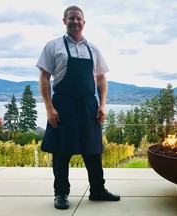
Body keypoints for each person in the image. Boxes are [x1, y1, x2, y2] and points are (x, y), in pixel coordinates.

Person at [36, 5, 120, 210]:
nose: (75, 22)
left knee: (93, 150)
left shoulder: (93, 49)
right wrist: (49, 108)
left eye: (79, 19)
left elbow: (101, 78)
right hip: (63, 104)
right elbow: (44, 78)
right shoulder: (53, 46)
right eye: (71, 18)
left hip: (88, 104)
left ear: (84, 22)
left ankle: (98, 190)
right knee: (61, 151)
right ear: (64, 21)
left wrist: (102, 104)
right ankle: (61, 193)